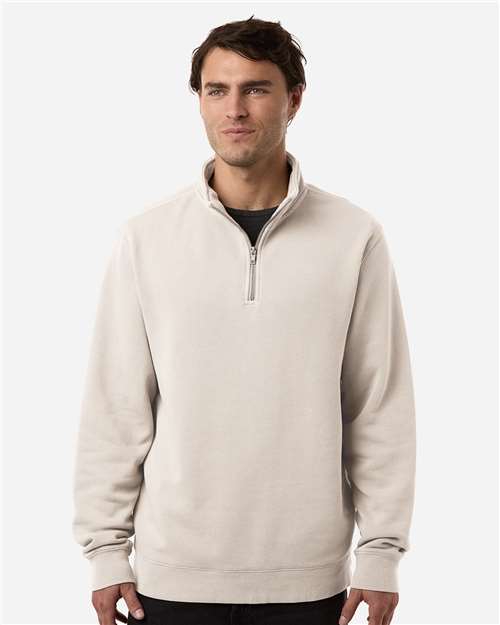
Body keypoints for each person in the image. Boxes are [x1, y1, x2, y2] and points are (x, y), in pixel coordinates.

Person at [72, 15, 416, 625]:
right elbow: (115, 405)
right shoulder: (146, 239)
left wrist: (381, 553)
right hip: (170, 575)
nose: (234, 109)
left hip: (311, 580)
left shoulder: (353, 236)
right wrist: (105, 552)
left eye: (255, 89)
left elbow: (377, 405)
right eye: (217, 90)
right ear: (200, 100)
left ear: (294, 100)